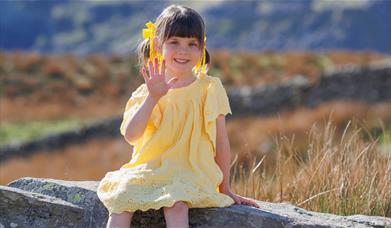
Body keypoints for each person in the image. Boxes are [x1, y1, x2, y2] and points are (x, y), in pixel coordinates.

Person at [97, 4, 259, 228]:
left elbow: (221, 139)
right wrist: (152, 98)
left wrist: (225, 188)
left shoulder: (209, 88)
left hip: (193, 171)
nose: (183, 50)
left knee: (177, 204)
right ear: (157, 44)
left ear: (202, 48)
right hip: (151, 168)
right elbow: (131, 135)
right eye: (174, 42)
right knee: (122, 200)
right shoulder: (148, 91)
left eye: (192, 44)